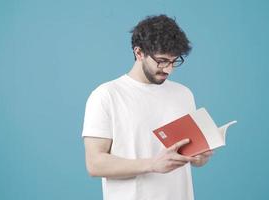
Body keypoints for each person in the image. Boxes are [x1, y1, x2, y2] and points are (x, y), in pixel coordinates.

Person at [82, 14, 213, 200]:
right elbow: (95, 164)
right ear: (139, 53)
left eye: (174, 61)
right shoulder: (106, 95)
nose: (168, 69)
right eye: (161, 61)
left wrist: (200, 157)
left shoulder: (184, 94)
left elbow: (191, 157)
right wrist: (152, 164)